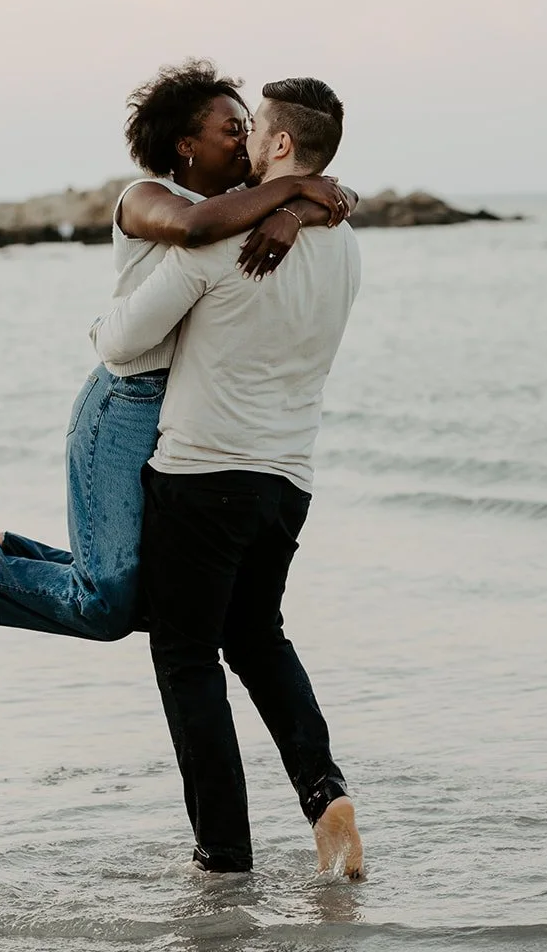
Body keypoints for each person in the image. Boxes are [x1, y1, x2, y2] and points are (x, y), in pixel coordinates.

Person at [0, 60, 351, 641]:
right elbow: (190, 230)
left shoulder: (246, 201)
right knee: (109, 610)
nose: (246, 139)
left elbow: (342, 196)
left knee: (162, 598)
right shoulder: (146, 197)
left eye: (248, 127)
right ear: (186, 145)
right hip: (123, 405)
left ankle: (6, 561)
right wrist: (291, 189)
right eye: (231, 129)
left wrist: (293, 208)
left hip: (186, 417)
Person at [90, 77, 364, 879]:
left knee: (185, 658)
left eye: (255, 134)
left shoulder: (217, 243)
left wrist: (102, 322)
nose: (242, 145)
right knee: (257, 637)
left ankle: (224, 854)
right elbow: (324, 208)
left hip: (203, 472)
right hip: (287, 480)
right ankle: (325, 796)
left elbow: (121, 342)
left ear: (280, 146)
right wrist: (292, 206)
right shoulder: (342, 241)